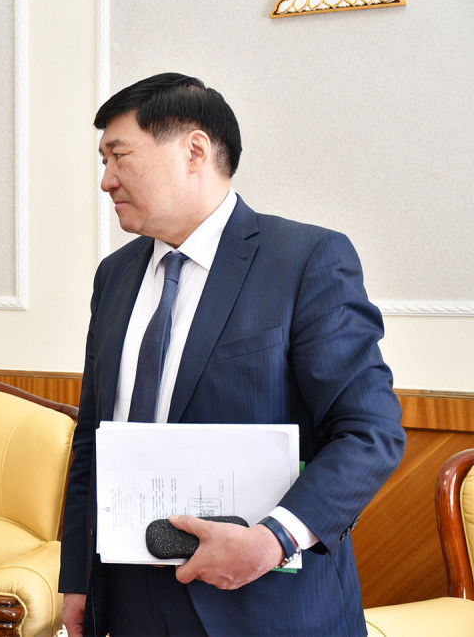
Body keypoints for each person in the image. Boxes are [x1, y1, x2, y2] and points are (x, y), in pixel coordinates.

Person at [58, 72, 405, 636]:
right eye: (103, 161)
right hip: (130, 603)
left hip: (267, 606)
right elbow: (92, 439)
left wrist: (273, 539)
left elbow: (370, 432)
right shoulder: (114, 276)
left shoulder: (305, 260)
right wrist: (78, 579)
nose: (106, 180)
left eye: (119, 156)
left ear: (194, 150)